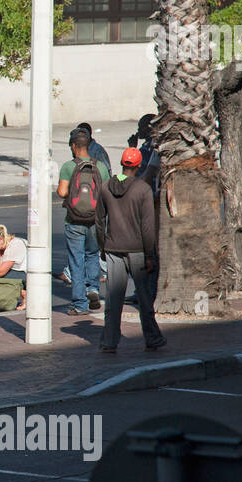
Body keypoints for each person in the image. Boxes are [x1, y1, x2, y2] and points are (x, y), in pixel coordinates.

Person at [95, 148, 166, 353]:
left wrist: (102, 247)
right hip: (137, 251)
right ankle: (152, 338)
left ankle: (109, 342)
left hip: (112, 248)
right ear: (138, 165)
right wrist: (150, 254)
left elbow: (99, 221)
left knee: (113, 299)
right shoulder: (142, 189)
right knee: (144, 297)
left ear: (121, 163)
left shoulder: (106, 187)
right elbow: (147, 226)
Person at [57, 128, 109, 315]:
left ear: (73, 146)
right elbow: (106, 192)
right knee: (92, 255)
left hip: (74, 220)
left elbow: (62, 192)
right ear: (88, 145)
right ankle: (93, 289)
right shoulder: (100, 167)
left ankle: (79, 304)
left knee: (76, 260)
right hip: (95, 220)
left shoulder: (68, 167)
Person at [0, 224, 27, 312]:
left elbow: (0, 272)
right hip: (17, 271)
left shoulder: (15, 245)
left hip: (30, 274)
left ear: (1, 240)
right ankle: (3, 294)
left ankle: (25, 295)